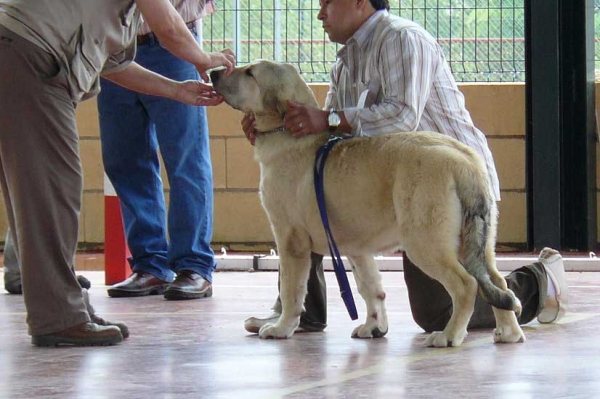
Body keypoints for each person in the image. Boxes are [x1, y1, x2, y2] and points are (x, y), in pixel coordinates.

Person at [242, 0, 568, 334]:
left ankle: (541, 284)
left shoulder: (401, 38)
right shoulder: (344, 62)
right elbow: (326, 137)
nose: (320, 13)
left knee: (436, 312)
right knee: (303, 195)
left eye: (327, 3)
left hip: (447, 182)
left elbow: (401, 118)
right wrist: (272, 126)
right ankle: (298, 312)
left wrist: (328, 118)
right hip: (397, 187)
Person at [0, 0, 235, 347]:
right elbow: (169, 26)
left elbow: (113, 64)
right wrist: (206, 59)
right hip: (30, 57)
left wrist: (176, 90)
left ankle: (66, 308)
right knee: (54, 193)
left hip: (23, 54)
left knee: (44, 193)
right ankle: (59, 317)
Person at [101, 1, 218, 301]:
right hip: (114, 44)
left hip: (174, 45)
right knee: (124, 159)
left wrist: (200, 58)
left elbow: (166, 22)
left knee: (185, 159)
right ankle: (149, 264)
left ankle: (194, 265)